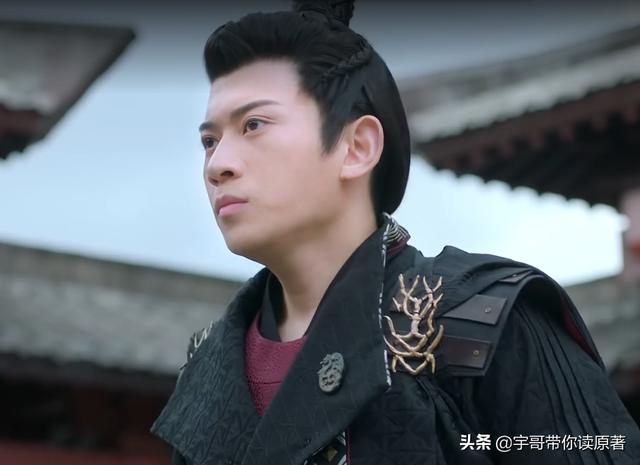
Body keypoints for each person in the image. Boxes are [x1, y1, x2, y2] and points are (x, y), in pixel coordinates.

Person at [150, 1, 640, 464]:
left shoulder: (479, 320)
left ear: (357, 147)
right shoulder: (210, 364)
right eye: (209, 140)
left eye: (254, 125)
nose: (217, 165)